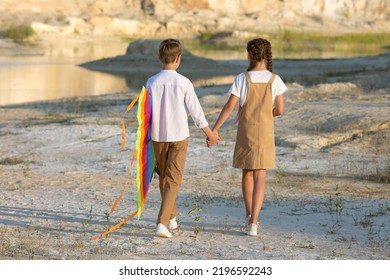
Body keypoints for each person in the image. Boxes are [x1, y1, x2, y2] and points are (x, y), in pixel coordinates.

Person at [211, 38, 287, 236]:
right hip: (265, 131)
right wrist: (265, 115)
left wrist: (215, 129)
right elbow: (280, 109)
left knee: (247, 172)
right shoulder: (275, 79)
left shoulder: (241, 78)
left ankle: (247, 216)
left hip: (246, 130)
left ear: (250, 55)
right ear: (267, 55)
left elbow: (229, 107)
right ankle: (254, 222)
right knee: (260, 174)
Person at [147, 38, 220, 238]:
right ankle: (162, 223)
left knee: (164, 177)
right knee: (173, 178)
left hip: (157, 136)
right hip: (179, 136)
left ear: (160, 58)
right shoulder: (184, 82)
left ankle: (171, 218)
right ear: (178, 58)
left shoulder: (151, 81)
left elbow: (146, 114)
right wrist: (210, 135)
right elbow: (196, 112)